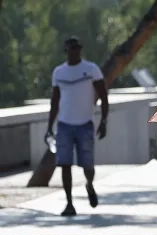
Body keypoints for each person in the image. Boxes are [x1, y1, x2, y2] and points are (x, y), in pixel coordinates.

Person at [46, 36, 109, 217]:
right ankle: (69, 203)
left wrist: (104, 121)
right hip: (64, 125)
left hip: (84, 124)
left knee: (87, 165)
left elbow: (104, 96)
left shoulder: (91, 70)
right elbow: (55, 101)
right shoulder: (59, 73)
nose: (75, 51)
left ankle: (89, 184)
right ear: (66, 51)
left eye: (78, 47)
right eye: (72, 48)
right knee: (65, 164)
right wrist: (50, 126)